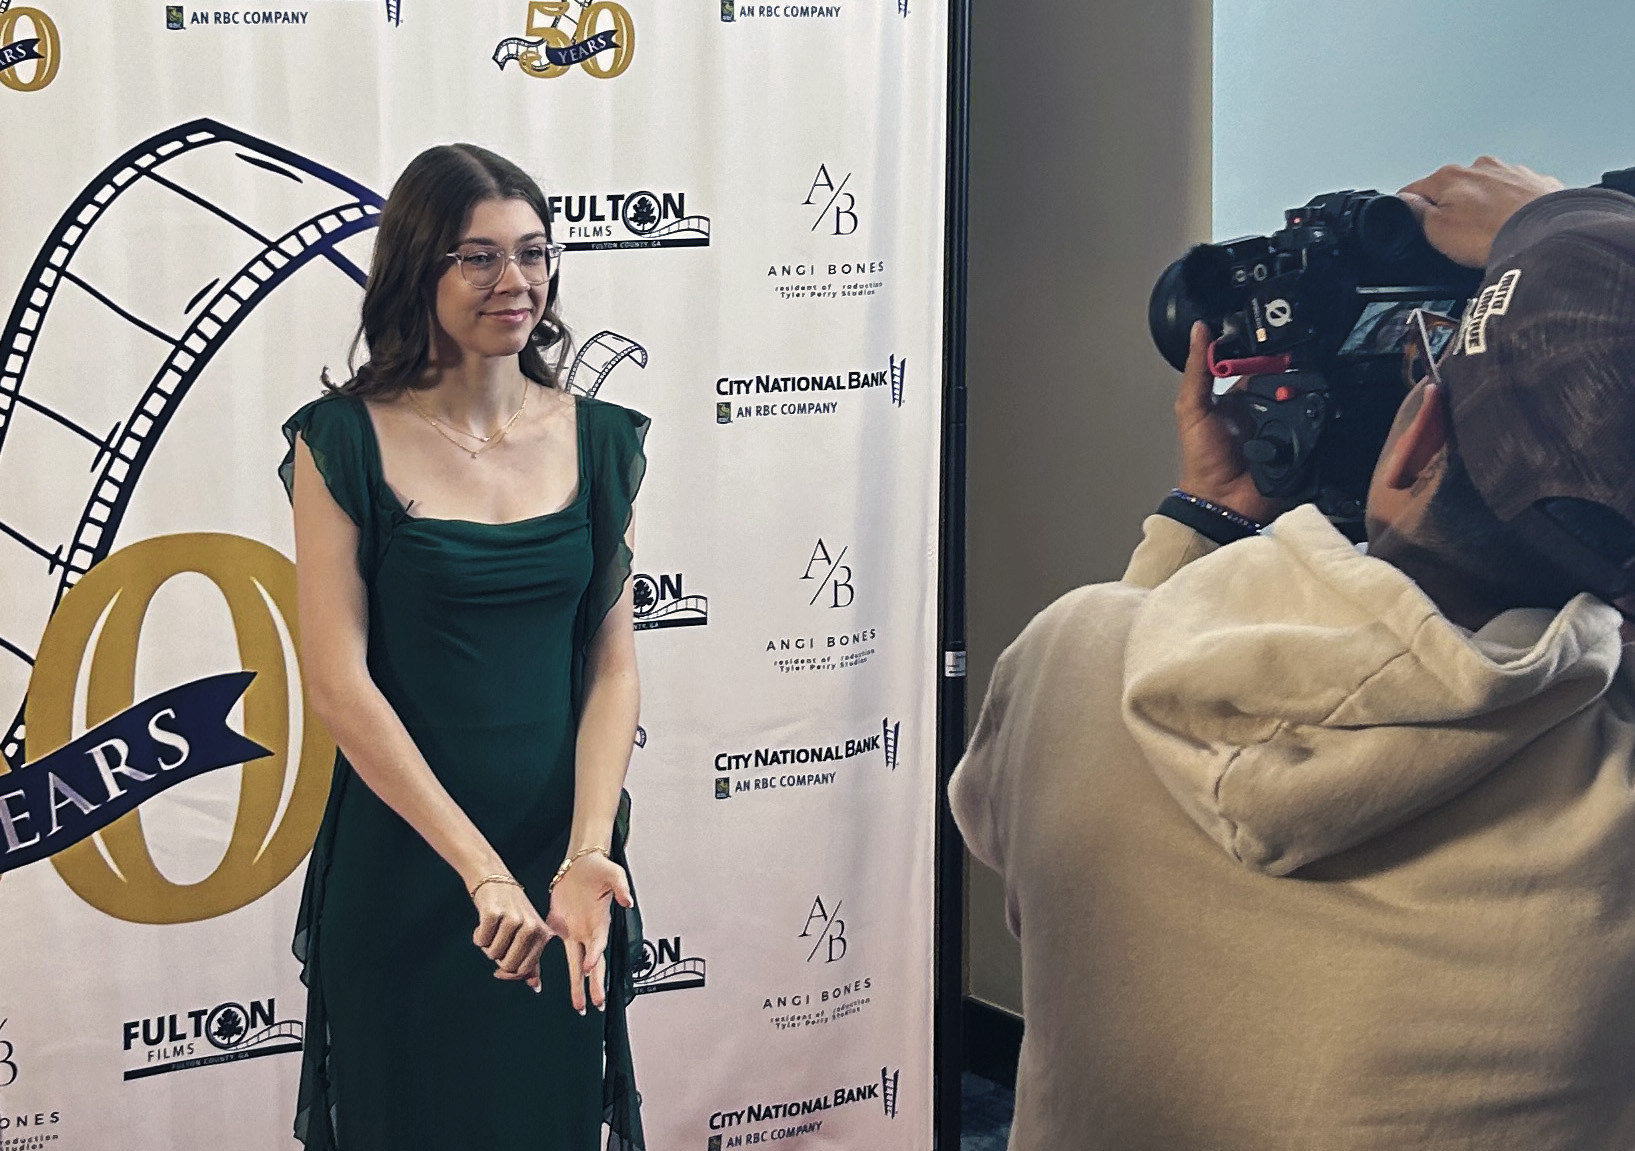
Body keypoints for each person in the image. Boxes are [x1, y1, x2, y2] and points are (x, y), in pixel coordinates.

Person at [951, 157, 1635, 1150]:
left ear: (1410, 446)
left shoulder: (1073, 657)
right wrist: (1569, 237)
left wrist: (1203, 523)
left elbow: (1064, 784)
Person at [279, 143, 647, 1151]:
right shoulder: (341, 438)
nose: (516, 281)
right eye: (477, 257)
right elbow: (338, 682)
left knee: (545, 1116)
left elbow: (612, 665)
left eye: (533, 252)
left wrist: (584, 850)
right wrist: (481, 872)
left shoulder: (601, 438)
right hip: (410, 860)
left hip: (558, 859)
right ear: (416, 269)